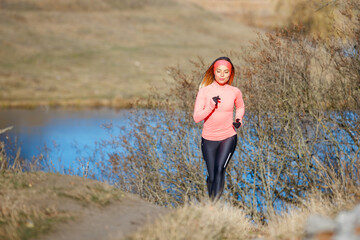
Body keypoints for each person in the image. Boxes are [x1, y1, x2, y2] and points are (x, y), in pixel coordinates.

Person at [193, 56, 245, 202]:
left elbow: (240, 107)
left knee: (220, 169)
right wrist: (210, 106)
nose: (222, 75)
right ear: (214, 72)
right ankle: (210, 201)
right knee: (212, 175)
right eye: (219, 71)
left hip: (228, 136)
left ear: (230, 74)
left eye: (226, 72)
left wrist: (238, 120)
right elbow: (196, 118)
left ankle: (213, 205)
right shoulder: (204, 92)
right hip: (208, 139)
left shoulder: (235, 91)